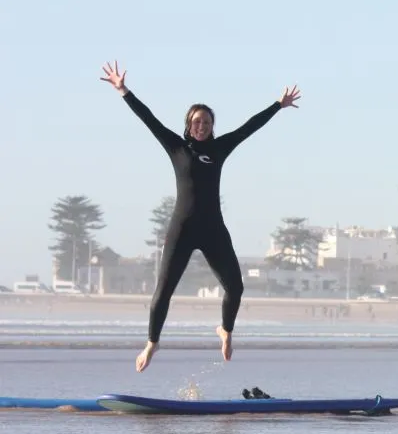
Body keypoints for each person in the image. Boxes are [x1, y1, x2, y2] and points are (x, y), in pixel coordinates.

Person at [99, 61, 299, 372]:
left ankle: (226, 331)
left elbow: (249, 127)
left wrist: (278, 105)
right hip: (182, 229)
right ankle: (152, 343)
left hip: (213, 229)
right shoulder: (177, 148)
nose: (201, 126)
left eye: (206, 121)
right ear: (189, 125)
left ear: (211, 125)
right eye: (196, 122)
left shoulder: (220, 148)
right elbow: (148, 119)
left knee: (236, 286)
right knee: (163, 290)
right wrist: (123, 90)